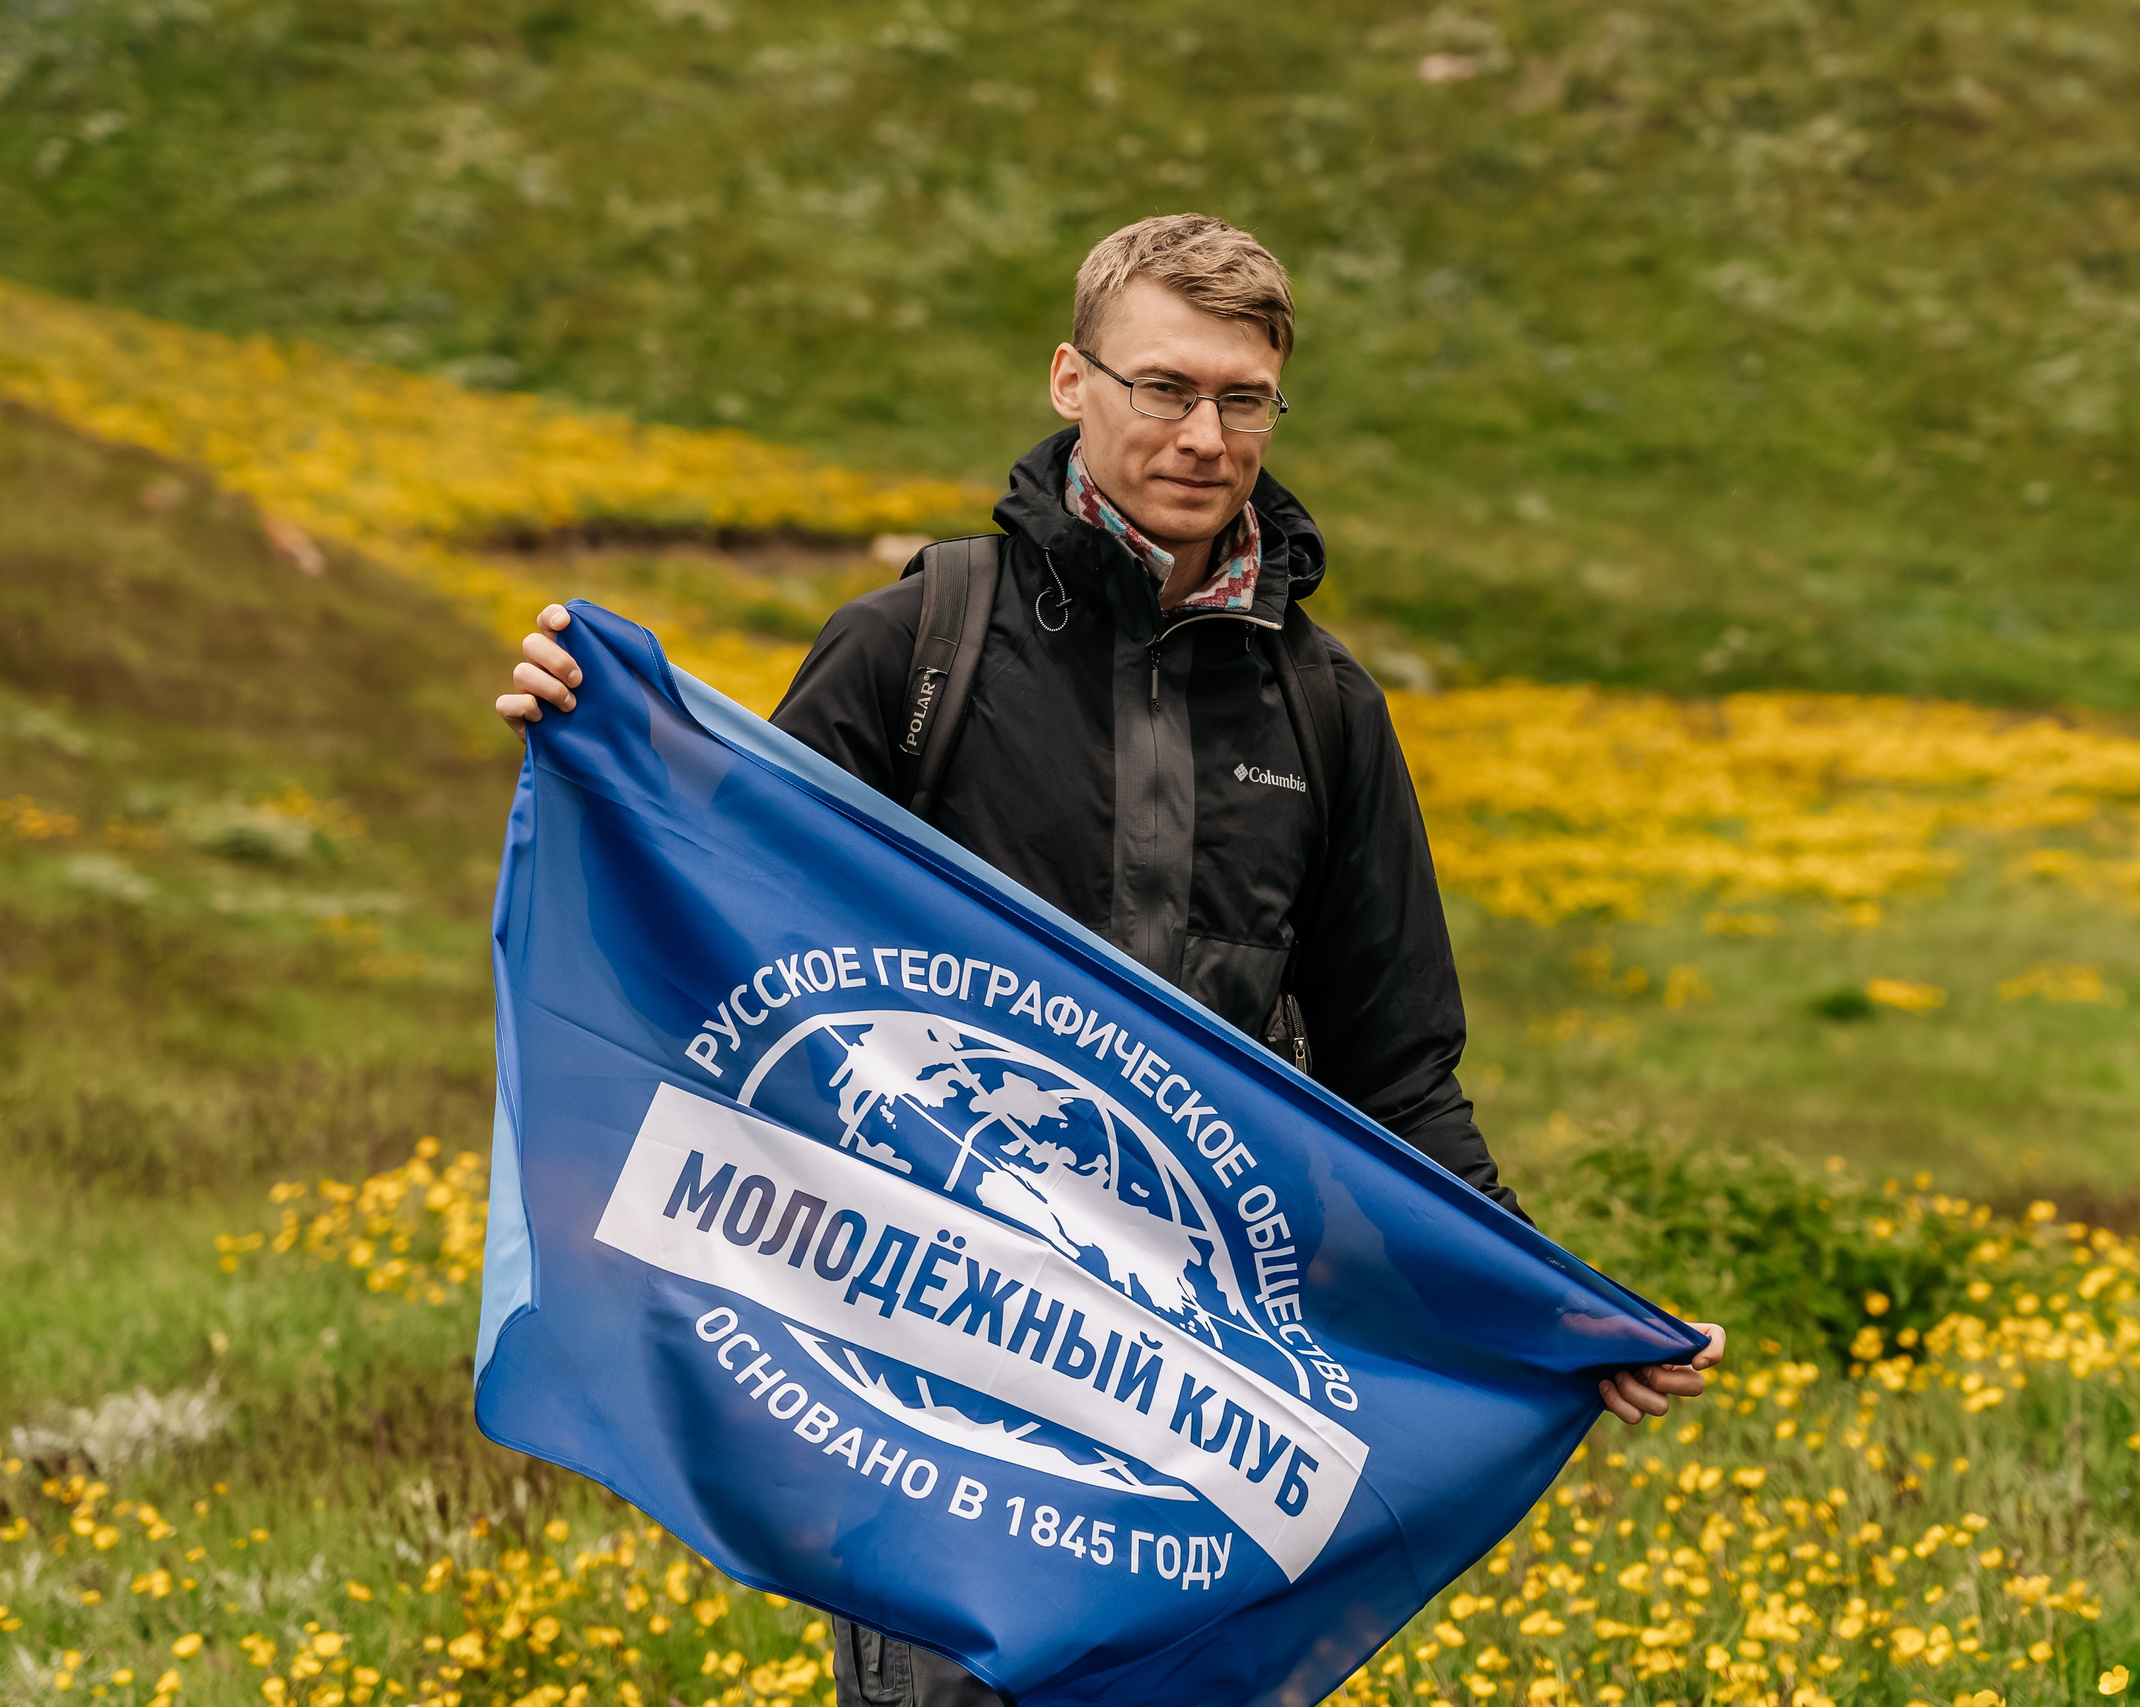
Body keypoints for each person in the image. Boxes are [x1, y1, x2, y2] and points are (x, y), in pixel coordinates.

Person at [497, 213, 1724, 1707]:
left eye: (1244, 398)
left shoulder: (1325, 710)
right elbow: (723, 894)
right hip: (945, 1342)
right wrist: (595, 734)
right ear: (1073, 381)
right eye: (1164, 388)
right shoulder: (920, 646)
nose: (1206, 436)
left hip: (1202, 1386)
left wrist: (1553, 1310)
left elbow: (1397, 1071)